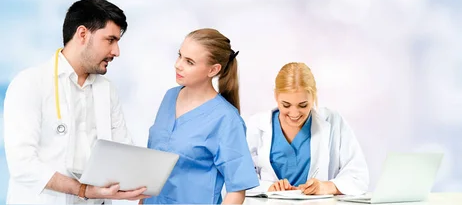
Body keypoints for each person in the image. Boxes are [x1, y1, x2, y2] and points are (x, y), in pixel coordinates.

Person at [3, 0, 149, 204]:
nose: (116, 51)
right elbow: (22, 165)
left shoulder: (107, 90)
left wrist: (136, 193)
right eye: (110, 40)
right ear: (82, 34)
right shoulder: (29, 83)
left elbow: (122, 152)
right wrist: (84, 190)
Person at [141, 28, 259, 204]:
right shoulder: (170, 97)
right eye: (179, 55)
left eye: (189, 62)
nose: (178, 64)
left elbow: (236, 191)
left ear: (213, 70)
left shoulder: (226, 119)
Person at [245, 62, 369, 196]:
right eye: (286, 105)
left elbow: (358, 176)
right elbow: (241, 178)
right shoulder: (256, 126)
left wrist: (327, 187)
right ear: (276, 96)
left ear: (313, 97)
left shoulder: (333, 122)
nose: (294, 113)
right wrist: (269, 188)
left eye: (303, 105)